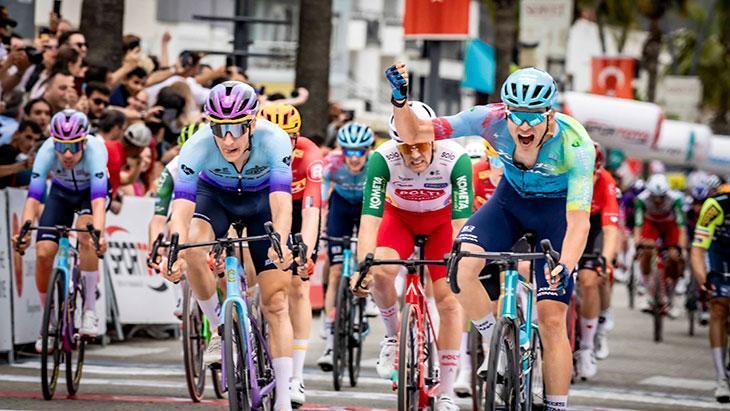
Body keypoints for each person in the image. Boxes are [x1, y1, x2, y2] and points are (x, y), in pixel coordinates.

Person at [386, 64, 595, 411]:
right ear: (505, 110)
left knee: (552, 318)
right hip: (509, 202)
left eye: (533, 116)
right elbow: (416, 133)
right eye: (517, 115)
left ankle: (556, 406)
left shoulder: (576, 145)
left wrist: (567, 263)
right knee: (462, 268)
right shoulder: (489, 119)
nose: (524, 126)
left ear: (550, 114)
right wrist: (400, 101)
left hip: (556, 213)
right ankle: (495, 342)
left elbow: (578, 222)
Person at [164, 81, 296, 411]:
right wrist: (175, 249)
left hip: (261, 202)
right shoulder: (195, 146)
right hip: (216, 198)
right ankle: (219, 329)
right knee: (192, 247)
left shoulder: (275, 140)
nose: (227, 139)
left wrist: (280, 240)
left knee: (277, 302)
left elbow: (282, 202)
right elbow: (182, 206)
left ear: (252, 123)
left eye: (236, 128)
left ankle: (283, 399)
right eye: (218, 128)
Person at [352, 107, 473, 411]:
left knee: (449, 300)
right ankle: (393, 337)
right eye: (406, 148)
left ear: (433, 139)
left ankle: (446, 392)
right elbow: (369, 220)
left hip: (442, 222)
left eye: (420, 145)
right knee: (380, 271)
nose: (415, 154)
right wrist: (362, 267)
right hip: (400, 220)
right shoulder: (382, 159)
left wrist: (463, 263)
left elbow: (462, 223)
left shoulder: (456, 158)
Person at [12, 110, 108, 351]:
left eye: (74, 147)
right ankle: (50, 321)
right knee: (43, 252)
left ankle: (89, 310)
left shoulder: (97, 151)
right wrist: (24, 233)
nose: (67, 154)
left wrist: (99, 234)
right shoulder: (45, 151)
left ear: (84, 142)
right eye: (61, 146)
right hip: (61, 194)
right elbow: (33, 198)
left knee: (86, 233)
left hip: (90, 194)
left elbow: (98, 202)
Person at [258, 103, 322, 408]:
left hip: (297, 210)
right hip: (264, 206)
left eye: (290, 137)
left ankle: (296, 376)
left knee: (298, 286)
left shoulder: (310, 155)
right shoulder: (254, 150)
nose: (284, 142)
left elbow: (311, 210)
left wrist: (304, 252)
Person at [316, 122, 373, 371]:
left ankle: (363, 309)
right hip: (340, 206)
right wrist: (318, 228)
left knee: (366, 259)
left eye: (359, 151)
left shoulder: (376, 164)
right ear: (342, 150)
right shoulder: (332, 163)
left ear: (368, 150)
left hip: (366, 207)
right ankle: (330, 339)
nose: (354, 158)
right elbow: (320, 199)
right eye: (349, 151)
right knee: (336, 270)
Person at [454, 143, 504, 397]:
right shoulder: (476, 173)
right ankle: (466, 368)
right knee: (469, 295)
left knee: (513, 283)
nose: (500, 169)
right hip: (484, 236)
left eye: (504, 162)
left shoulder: (518, 173)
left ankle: (515, 339)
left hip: (513, 235)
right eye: (495, 162)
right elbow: (461, 213)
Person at [573, 142, 620, 380]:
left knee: (589, 279)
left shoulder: (606, 182)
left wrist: (606, 261)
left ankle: (587, 347)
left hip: (595, 227)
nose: (588, 179)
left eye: (592, 174)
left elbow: (611, 229)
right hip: (570, 222)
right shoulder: (562, 176)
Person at [690, 184, 730, 403]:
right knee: (719, 306)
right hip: (719, 253)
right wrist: (703, 279)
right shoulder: (715, 206)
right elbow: (698, 248)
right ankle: (721, 378)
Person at [634, 173, 687, 317]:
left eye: (661, 197)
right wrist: (638, 244)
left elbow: (681, 227)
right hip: (651, 225)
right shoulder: (641, 199)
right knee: (646, 252)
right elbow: (638, 225)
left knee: (674, 257)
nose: (657, 200)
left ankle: (671, 298)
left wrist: (680, 247)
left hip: (670, 226)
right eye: (654, 197)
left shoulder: (675, 199)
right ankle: (647, 293)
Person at [0, 120, 42, 188]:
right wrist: (23, 165)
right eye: (28, 137)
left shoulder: (16, 155)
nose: (31, 144)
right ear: (16, 134)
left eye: (35, 140)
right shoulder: (8, 150)